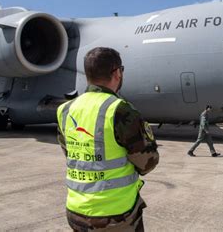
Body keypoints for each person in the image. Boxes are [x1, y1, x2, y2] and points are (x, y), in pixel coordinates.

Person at [56, 47, 159, 232]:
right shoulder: (120, 110)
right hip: (115, 216)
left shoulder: (66, 109)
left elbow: (71, 153)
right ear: (117, 73)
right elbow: (147, 162)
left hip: (76, 211)